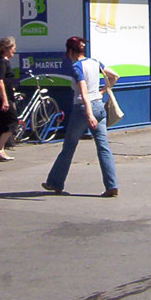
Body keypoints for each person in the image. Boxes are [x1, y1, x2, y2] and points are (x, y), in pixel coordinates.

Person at [43, 36, 120, 197]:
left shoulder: (76, 67)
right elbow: (115, 76)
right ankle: (112, 185)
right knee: (103, 147)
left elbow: (83, 92)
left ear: (70, 51)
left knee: (69, 146)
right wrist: (102, 92)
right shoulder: (95, 62)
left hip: (83, 109)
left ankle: (55, 182)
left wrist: (89, 114)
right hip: (99, 106)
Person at [0, 36, 18, 161]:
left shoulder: (3, 61)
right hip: (1, 98)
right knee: (12, 121)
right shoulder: (1, 62)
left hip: (0, 97)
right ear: (7, 48)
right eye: (13, 48)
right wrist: (5, 100)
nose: (14, 51)